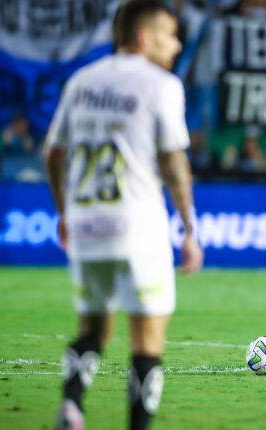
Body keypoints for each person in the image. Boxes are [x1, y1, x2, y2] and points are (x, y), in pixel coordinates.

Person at [43, 2, 203, 429]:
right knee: (146, 341)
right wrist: (189, 228)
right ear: (141, 37)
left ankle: (73, 404)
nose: (177, 44)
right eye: (169, 34)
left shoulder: (81, 81)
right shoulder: (161, 84)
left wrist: (63, 212)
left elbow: (52, 154)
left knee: (93, 328)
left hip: (85, 223)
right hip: (138, 227)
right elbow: (173, 162)